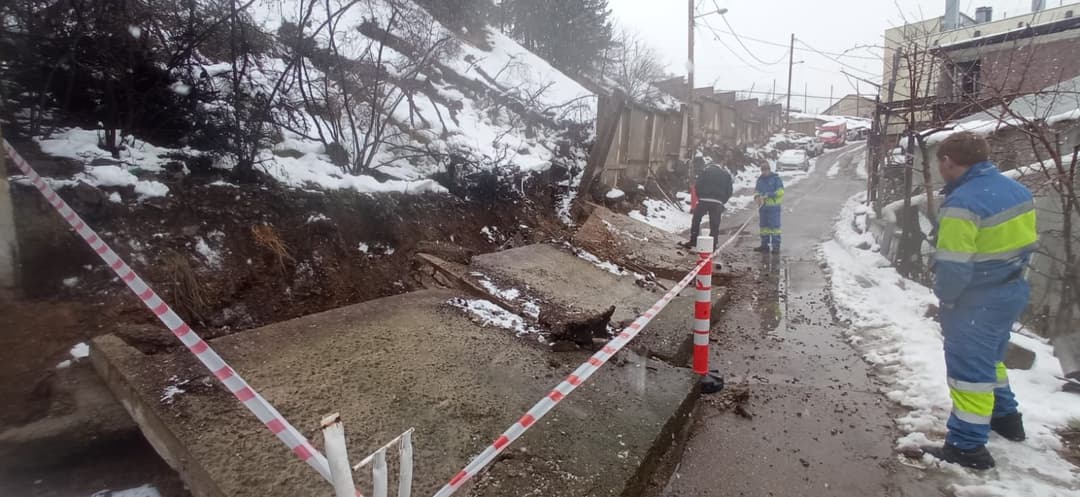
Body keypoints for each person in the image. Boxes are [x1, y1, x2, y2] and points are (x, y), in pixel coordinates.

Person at [922, 132, 1038, 470]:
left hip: (976, 298)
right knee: (991, 359)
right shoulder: (1017, 190)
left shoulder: (963, 203)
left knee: (969, 373)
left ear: (947, 161)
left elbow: (953, 267)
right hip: (1011, 290)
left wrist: (947, 298)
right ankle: (1006, 418)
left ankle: (967, 446)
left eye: (940, 162)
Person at [685, 157, 734, 249]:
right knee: (714, 224)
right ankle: (713, 244)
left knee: (696, 220)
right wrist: (722, 201)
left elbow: (697, 185)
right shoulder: (726, 174)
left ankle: (693, 240)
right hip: (717, 202)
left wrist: (700, 196)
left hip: (703, 200)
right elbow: (729, 191)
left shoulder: (705, 172)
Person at [753, 163, 784, 253]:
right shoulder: (760, 180)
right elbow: (756, 190)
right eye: (763, 170)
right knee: (764, 227)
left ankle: (776, 246)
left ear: (769, 170)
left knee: (774, 227)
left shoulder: (776, 179)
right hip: (763, 207)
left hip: (773, 207)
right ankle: (764, 245)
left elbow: (781, 191)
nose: (764, 172)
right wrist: (757, 197)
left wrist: (770, 194)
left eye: (766, 170)